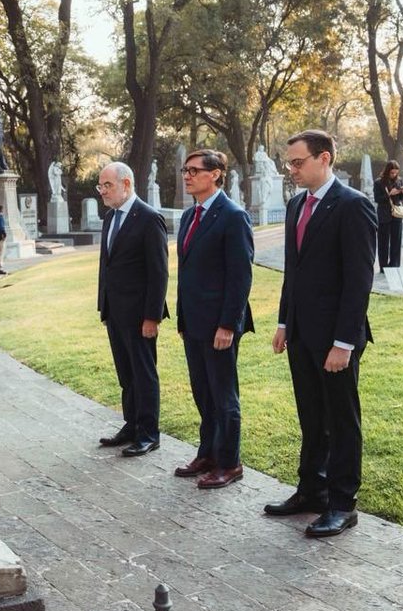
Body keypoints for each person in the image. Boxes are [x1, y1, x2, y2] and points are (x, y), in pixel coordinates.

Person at [267, 130, 376, 537]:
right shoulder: (296, 205)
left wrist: (344, 343)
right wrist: (283, 322)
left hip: (336, 340)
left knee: (341, 421)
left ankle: (343, 503)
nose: (290, 170)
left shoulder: (353, 206)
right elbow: (292, 272)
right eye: (289, 163)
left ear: (324, 158)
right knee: (312, 418)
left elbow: (358, 280)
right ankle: (311, 490)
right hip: (301, 334)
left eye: (297, 162)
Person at [175, 150, 254, 488]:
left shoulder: (233, 216)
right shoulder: (188, 216)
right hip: (193, 322)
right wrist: (181, 317)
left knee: (224, 396)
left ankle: (229, 462)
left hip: (219, 325)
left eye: (194, 170)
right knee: (202, 392)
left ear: (216, 174)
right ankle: (207, 452)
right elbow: (186, 273)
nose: (187, 176)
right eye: (185, 170)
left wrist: (227, 325)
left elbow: (240, 277)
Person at [95, 162, 169, 456]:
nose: (102, 192)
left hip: (140, 316)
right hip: (115, 312)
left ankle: (149, 433)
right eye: (100, 186)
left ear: (126, 184)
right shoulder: (110, 218)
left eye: (107, 185)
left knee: (143, 374)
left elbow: (159, 272)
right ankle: (132, 425)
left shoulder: (149, 219)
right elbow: (107, 266)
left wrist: (152, 316)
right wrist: (105, 307)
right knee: (126, 374)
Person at [374, 160, 403, 271]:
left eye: (396, 173)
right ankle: (383, 267)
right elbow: (377, 199)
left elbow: (400, 199)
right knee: (383, 242)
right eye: (392, 173)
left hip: (396, 214)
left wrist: (402, 192)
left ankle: (395, 265)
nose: (394, 175)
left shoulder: (399, 180)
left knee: (396, 240)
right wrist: (389, 194)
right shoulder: (379, 182)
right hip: (384, 214)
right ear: (387, 171)